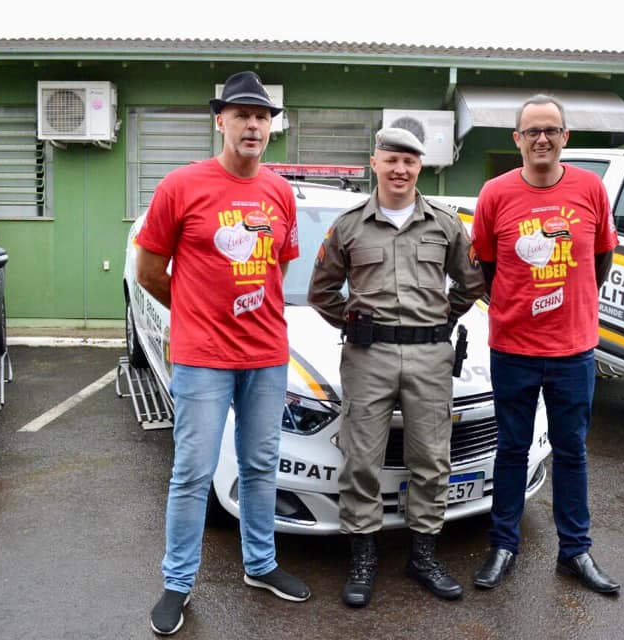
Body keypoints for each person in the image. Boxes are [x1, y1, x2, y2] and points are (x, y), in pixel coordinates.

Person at [136, 70, 310, 636]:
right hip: (202, 356)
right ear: (221, 121)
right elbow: (148, 270)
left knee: (261, 467)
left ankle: (260, 565)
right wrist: (194, 309)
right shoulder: (181, 186)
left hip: (266, 354)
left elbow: (278, 266)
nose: (253, 124)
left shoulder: (280, 191)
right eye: (241, 114)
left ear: (270, 128)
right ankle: (178, 583)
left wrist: (248, 305)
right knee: (192, 473)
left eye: (261, 116)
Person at [308, 127, 485, 607]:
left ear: (419, 166)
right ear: (375, 163)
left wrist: (442, 319)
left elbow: (470, 283)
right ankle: (364, 558)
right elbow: (321, 291)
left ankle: (422, 555)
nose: (400, 169)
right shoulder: (348, 226)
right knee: (362, 459)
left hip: (431, 356)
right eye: (392, 160)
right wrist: (354, 323)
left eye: (409, 161)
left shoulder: (445, 225)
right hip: (368, 357)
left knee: (430, 458)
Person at [469, 95, 621, 595]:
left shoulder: (590, 189)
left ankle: (574, 552)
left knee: (571, 450)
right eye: (531, 131)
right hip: (513, 347)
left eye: (551, 130)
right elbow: (486, 267)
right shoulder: (495, 194)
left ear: (565, 137)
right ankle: (504, 544)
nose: (541, 139)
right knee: (511, 448)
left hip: (573, 350)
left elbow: (601, 260)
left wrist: (570, 302)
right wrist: (518, 305)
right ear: (516, 139)